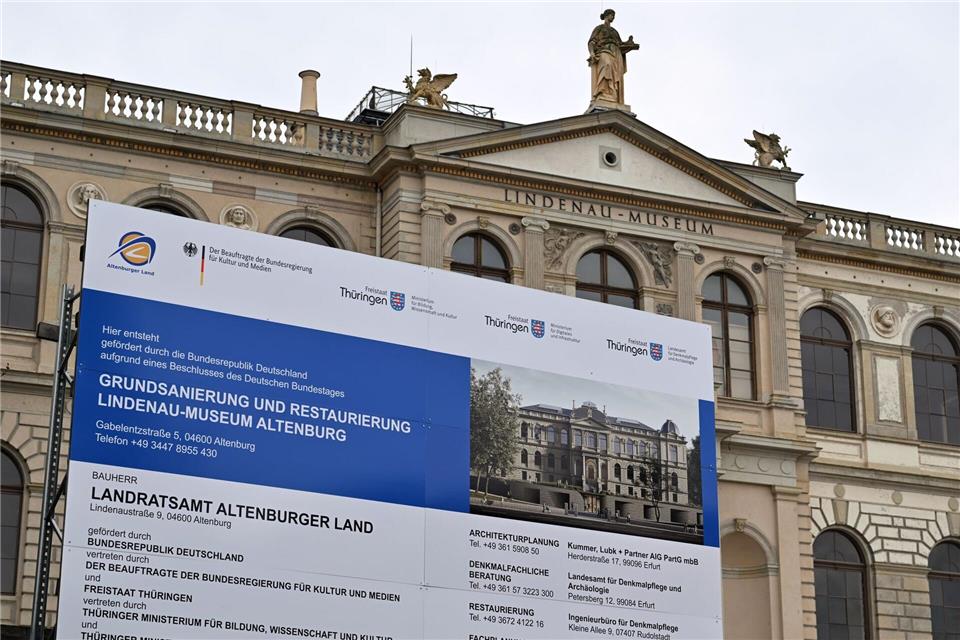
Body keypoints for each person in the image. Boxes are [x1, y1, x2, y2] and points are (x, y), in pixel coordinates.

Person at [588, 9, 639, 105]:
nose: (613, 17)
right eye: (612, 15)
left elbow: (620, 45)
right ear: (607, 15)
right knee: (606, 65)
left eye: (614, 16)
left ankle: (612, 93)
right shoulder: (599, 28)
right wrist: (592, 53)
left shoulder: (614, 31)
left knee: (615, 74)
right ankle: (602, 91)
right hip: (604, 50)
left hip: (616, 53)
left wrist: (630, 45)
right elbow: (591, 42)